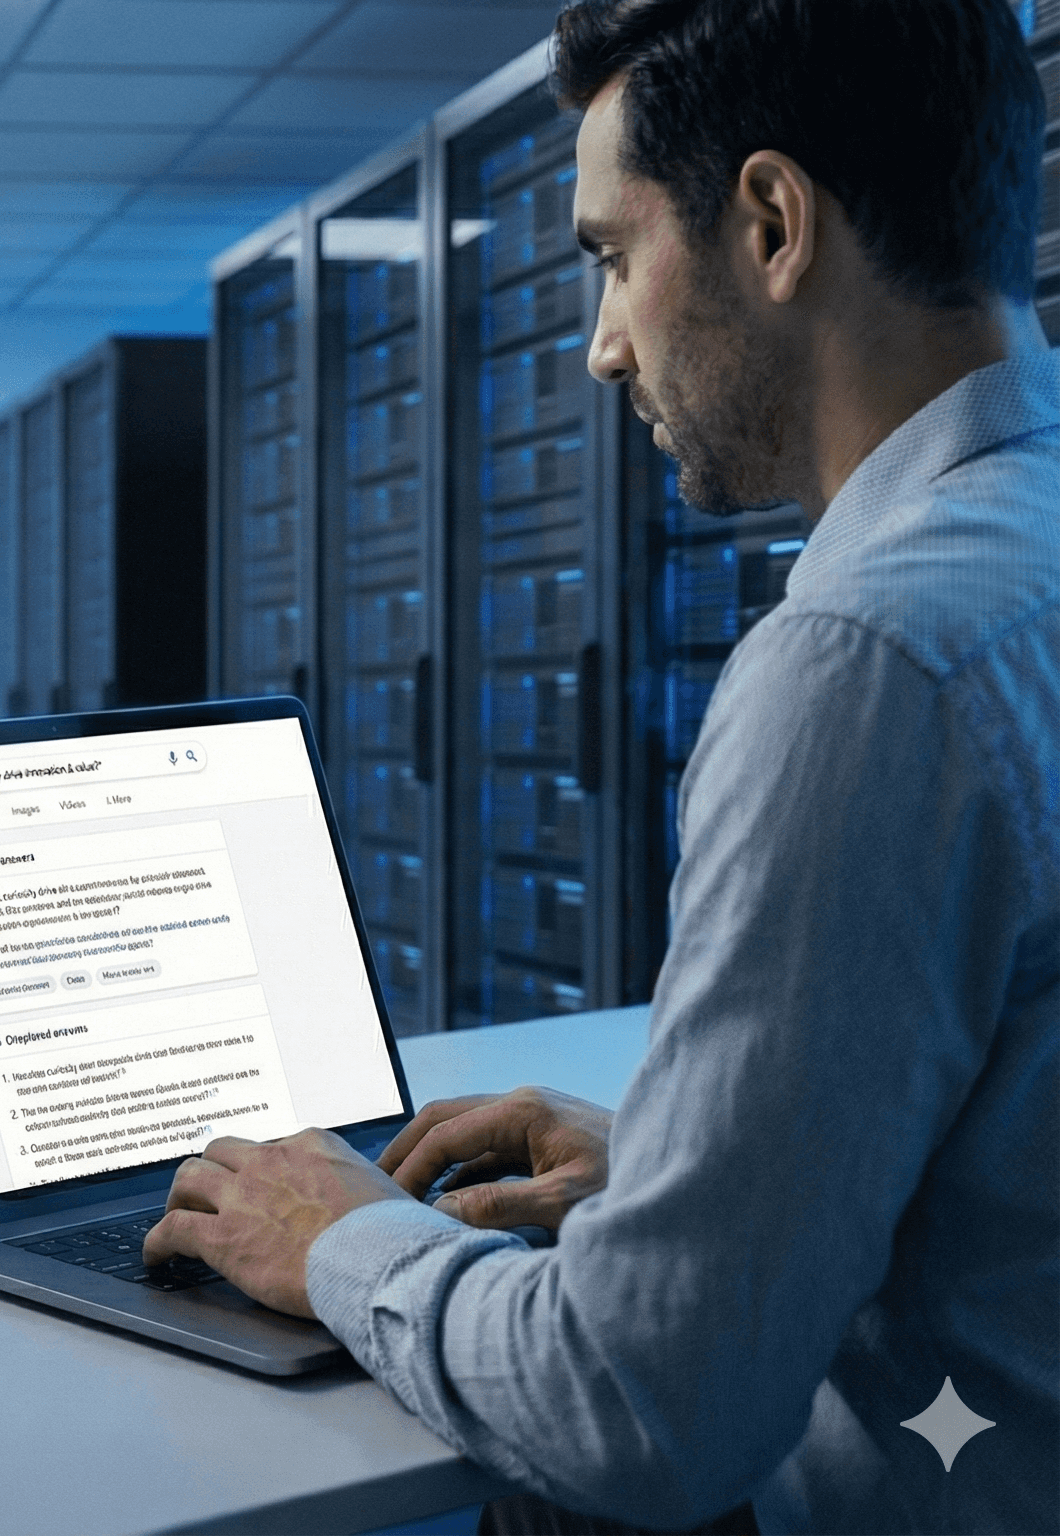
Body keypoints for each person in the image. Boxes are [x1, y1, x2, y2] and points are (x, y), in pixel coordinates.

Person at [141, 1, 1056, 1532]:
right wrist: (684, 1175)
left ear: (771, 222)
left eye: (611, 257)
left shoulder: (865, 660)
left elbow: (641, 1408)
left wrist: (344, 1237)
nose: (600, 343)